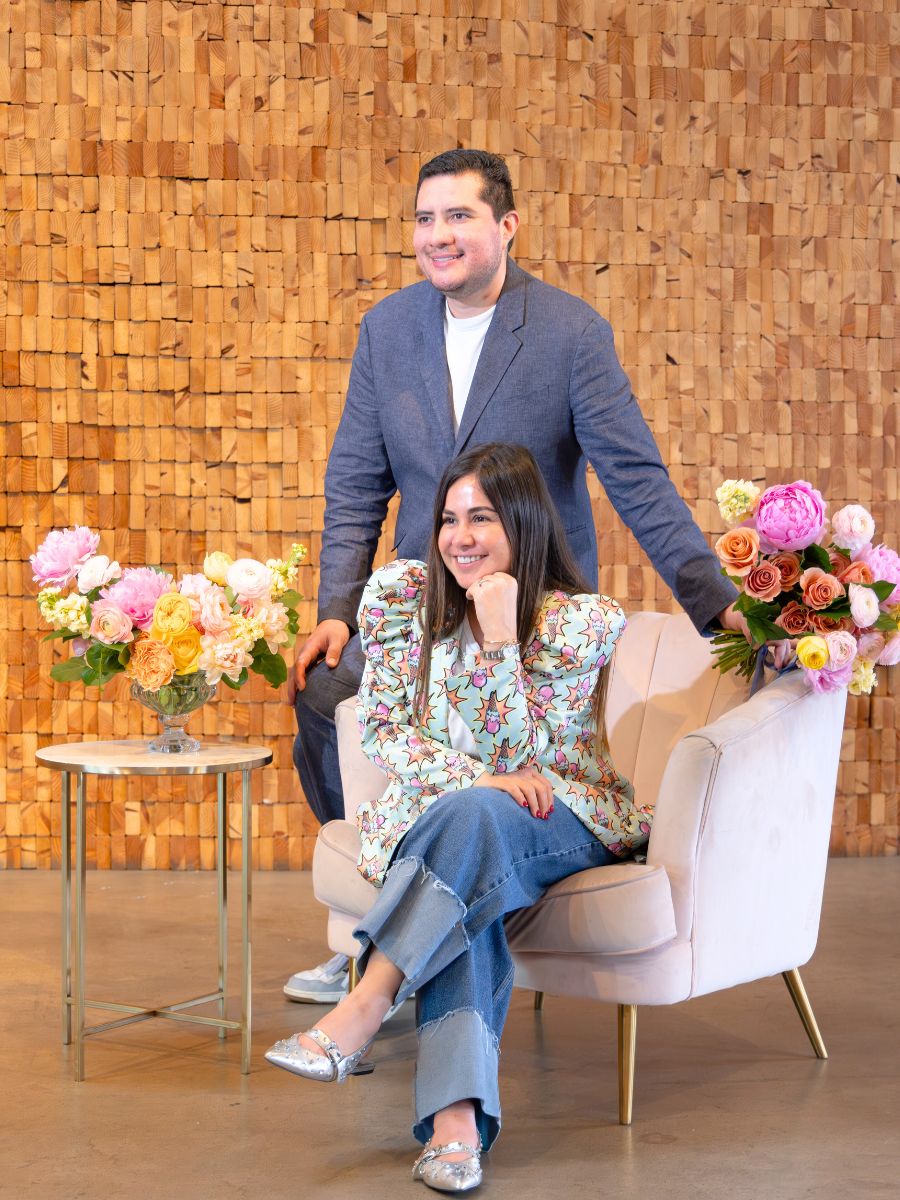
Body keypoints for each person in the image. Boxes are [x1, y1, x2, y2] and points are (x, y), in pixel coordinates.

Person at [284, 147, 742, 1004]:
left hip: (530, 614)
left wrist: (722, 616)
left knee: (509, 756)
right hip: (424, 607)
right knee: (322, 692)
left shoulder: (569, 334)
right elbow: (355, 480)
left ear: (505, 226)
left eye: (458, 216)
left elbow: (637, 481)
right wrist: (338, 609)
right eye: (425, 219)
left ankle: (403, 947)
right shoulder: (387, 330)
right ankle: (380, 922)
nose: (438, 235)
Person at [267, 443, 653, 1192]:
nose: (459, 536)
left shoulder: (583, 621)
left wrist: (501, 635)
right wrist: (479, 778)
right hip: (455, 813)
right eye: (448, 518)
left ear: (523, 521)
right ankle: (454, 1130)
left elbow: (530, 763)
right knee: (469, 837)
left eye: (481, 517)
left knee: (474, 817)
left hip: (562, 813)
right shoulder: (403, 596)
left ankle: (367, 1002)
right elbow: (381, 729)